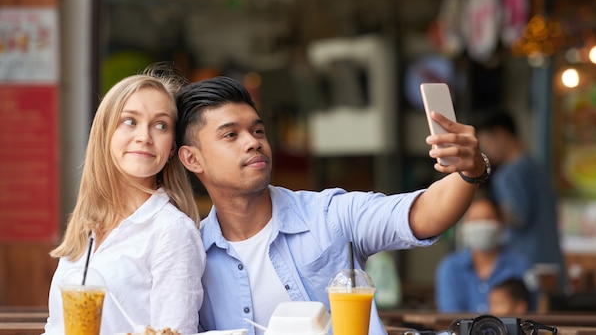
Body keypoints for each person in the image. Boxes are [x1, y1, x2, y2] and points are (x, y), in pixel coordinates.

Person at [175, 76, 489, 335]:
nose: (253, 141)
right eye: (231, 134)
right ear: (192, 158)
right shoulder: (192, 257)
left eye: (257, 130)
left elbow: (421, 213)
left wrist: (470, 170)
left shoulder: (329, 215)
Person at [44, 69, 206, 335]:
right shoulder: (87, 225)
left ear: (172, 149)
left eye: (161, 125)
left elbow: (174, 331)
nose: (144, 136)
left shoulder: (172, 231)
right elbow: (56, 327)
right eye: (130, 121)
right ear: (105, 133)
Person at [476, 110, 565, 288]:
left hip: (524, 270)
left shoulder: (508, 175)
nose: (486, 153)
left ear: (500, 134)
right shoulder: (539, 167)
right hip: (552, 266)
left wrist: (490, 210)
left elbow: (518, 218)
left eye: (486, 144)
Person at [435, 193, 530, 313]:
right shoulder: (450, 267)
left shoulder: (519, 265)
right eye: (475, 220)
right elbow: (449, 317)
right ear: (464, 227)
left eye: (488, 218)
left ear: (501, 224)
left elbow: (528, 312)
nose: (481, 225)